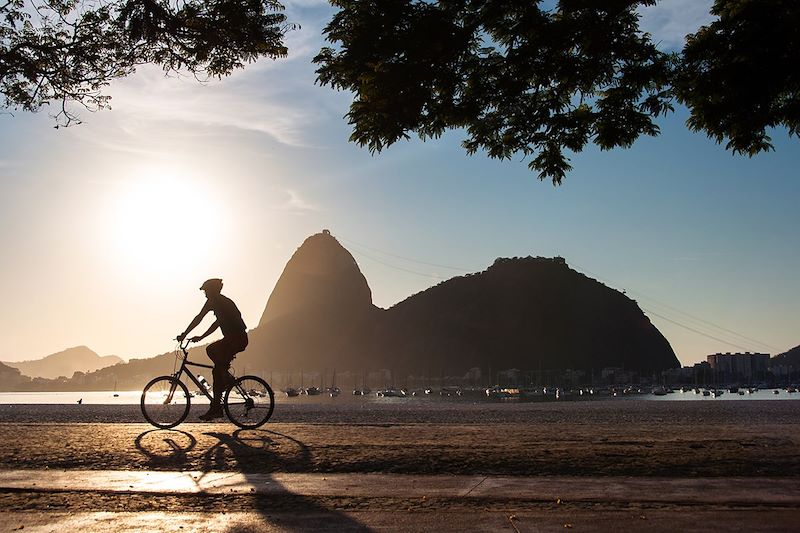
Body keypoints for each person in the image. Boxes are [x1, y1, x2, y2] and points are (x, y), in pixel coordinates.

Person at [177, 278, 248, 421]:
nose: (205, 294)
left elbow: (206, 321)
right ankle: (224, 377)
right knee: (213, 358)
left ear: (214, 291)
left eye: (206, 291)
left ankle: (216, 407)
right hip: (231, 339)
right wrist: (194, 335)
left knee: (216, 368)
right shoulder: (214, 302)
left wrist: (191, 335)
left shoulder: (223, 303)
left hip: (237, 339)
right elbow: (202, 319)